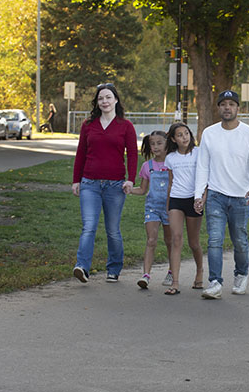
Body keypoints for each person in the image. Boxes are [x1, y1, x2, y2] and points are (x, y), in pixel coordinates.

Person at [194, 90, 249, 299]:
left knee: (239, 240)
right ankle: (215, 282)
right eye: (223, 104)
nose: (227, 108)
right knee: (214, 240)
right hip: (216, 195)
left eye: (231, 104)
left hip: (241, 197)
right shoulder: (209, 133)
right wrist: (199, 194)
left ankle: (241, 274)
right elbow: (202, 167)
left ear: (237, 108)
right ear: (218, 108)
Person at [71, 83, 138, 284]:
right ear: (97, 102)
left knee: (112, 230)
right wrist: (76, 180)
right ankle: (82, 266)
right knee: (89, 226)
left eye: (108, 97)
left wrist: (130, 179)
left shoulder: (125, 126)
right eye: (101, 98)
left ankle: (114, 269)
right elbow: (81, 153)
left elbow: (133, 155)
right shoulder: (88, 125)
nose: (105, 101)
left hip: (115, 185)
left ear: (116, 100)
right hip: (89, 183)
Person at [163, 122, 205, 295]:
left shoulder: (199, 153)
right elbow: (170, 182)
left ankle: (200, 271)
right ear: (173, 139)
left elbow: (205, 179)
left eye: (186, 133)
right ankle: (175, 283)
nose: (184, 137)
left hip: (194, 200)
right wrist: (168, 204)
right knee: (176, 239)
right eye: (179, 135)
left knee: (193, 243)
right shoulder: (170, 158)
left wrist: (202, 198)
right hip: (176, 200)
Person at [131, 130, 174, 290]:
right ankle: (146, 275)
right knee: (151, 240)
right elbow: (142, 190)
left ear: (167, 144)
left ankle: (171, 271)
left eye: (159, 143)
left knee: (170, 242)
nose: (155, 147)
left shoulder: (172, 163)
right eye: (152, 144)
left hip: (170, 209)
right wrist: (128, 189)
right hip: (152, 208)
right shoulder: (147, 166)